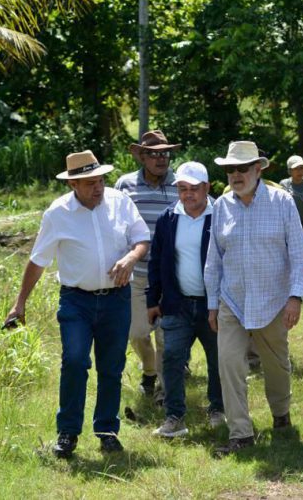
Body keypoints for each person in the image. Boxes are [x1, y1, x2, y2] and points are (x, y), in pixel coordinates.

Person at [5, 150, 150, 458]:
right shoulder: (57, 213)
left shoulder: (120, 202)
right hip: (76, 301)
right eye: (88, 183)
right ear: (73, 184)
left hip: (116, 299)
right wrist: (20, 304)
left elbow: (141, 238)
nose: (97, 187)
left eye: (99, 180)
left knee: (111, 367)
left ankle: (107, 431)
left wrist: (130, 257)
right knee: (74, 361)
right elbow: (38, 260)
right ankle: (68, 432)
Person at [205, 141, 303, 455]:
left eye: (242, 168)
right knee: (230, 364)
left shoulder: (282, 201)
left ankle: (280, 413)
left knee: (276, 365)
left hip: (273, 300)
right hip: (232, 300)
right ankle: (241, 433)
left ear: (257, 169)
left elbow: (299, 254)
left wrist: (295, 297)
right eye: (230, 169)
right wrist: (212, 303)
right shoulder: (221, 206)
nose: (236, 174)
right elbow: (214, 259)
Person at [148, 162, 224, 438]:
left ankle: (218, 410)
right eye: (182, 189)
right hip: (177, 303)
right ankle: (174, 417)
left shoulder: (221, 215)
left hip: (213, 305)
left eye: (194, 188)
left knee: (219, 360)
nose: (188, 194)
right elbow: (157, 260)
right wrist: (152, 300)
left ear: (207, 188)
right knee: (171, 358)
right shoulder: (169, 218)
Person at [115, 130, 181, 401]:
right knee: (137, 332)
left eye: (164, 153)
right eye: (153, 154)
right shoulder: (125, 185)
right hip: (137, 274)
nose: (160, 159)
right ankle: (149, 371)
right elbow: (116, 223)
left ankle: (166, 393)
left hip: (172, 274)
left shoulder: (181, 184)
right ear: (142, 157)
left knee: (167, 335)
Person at [279, 155, 303, 240]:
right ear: (290, 171)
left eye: (302, 168)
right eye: (296, 168)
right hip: (291, 226)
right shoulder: (283, 184)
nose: (300, 171)